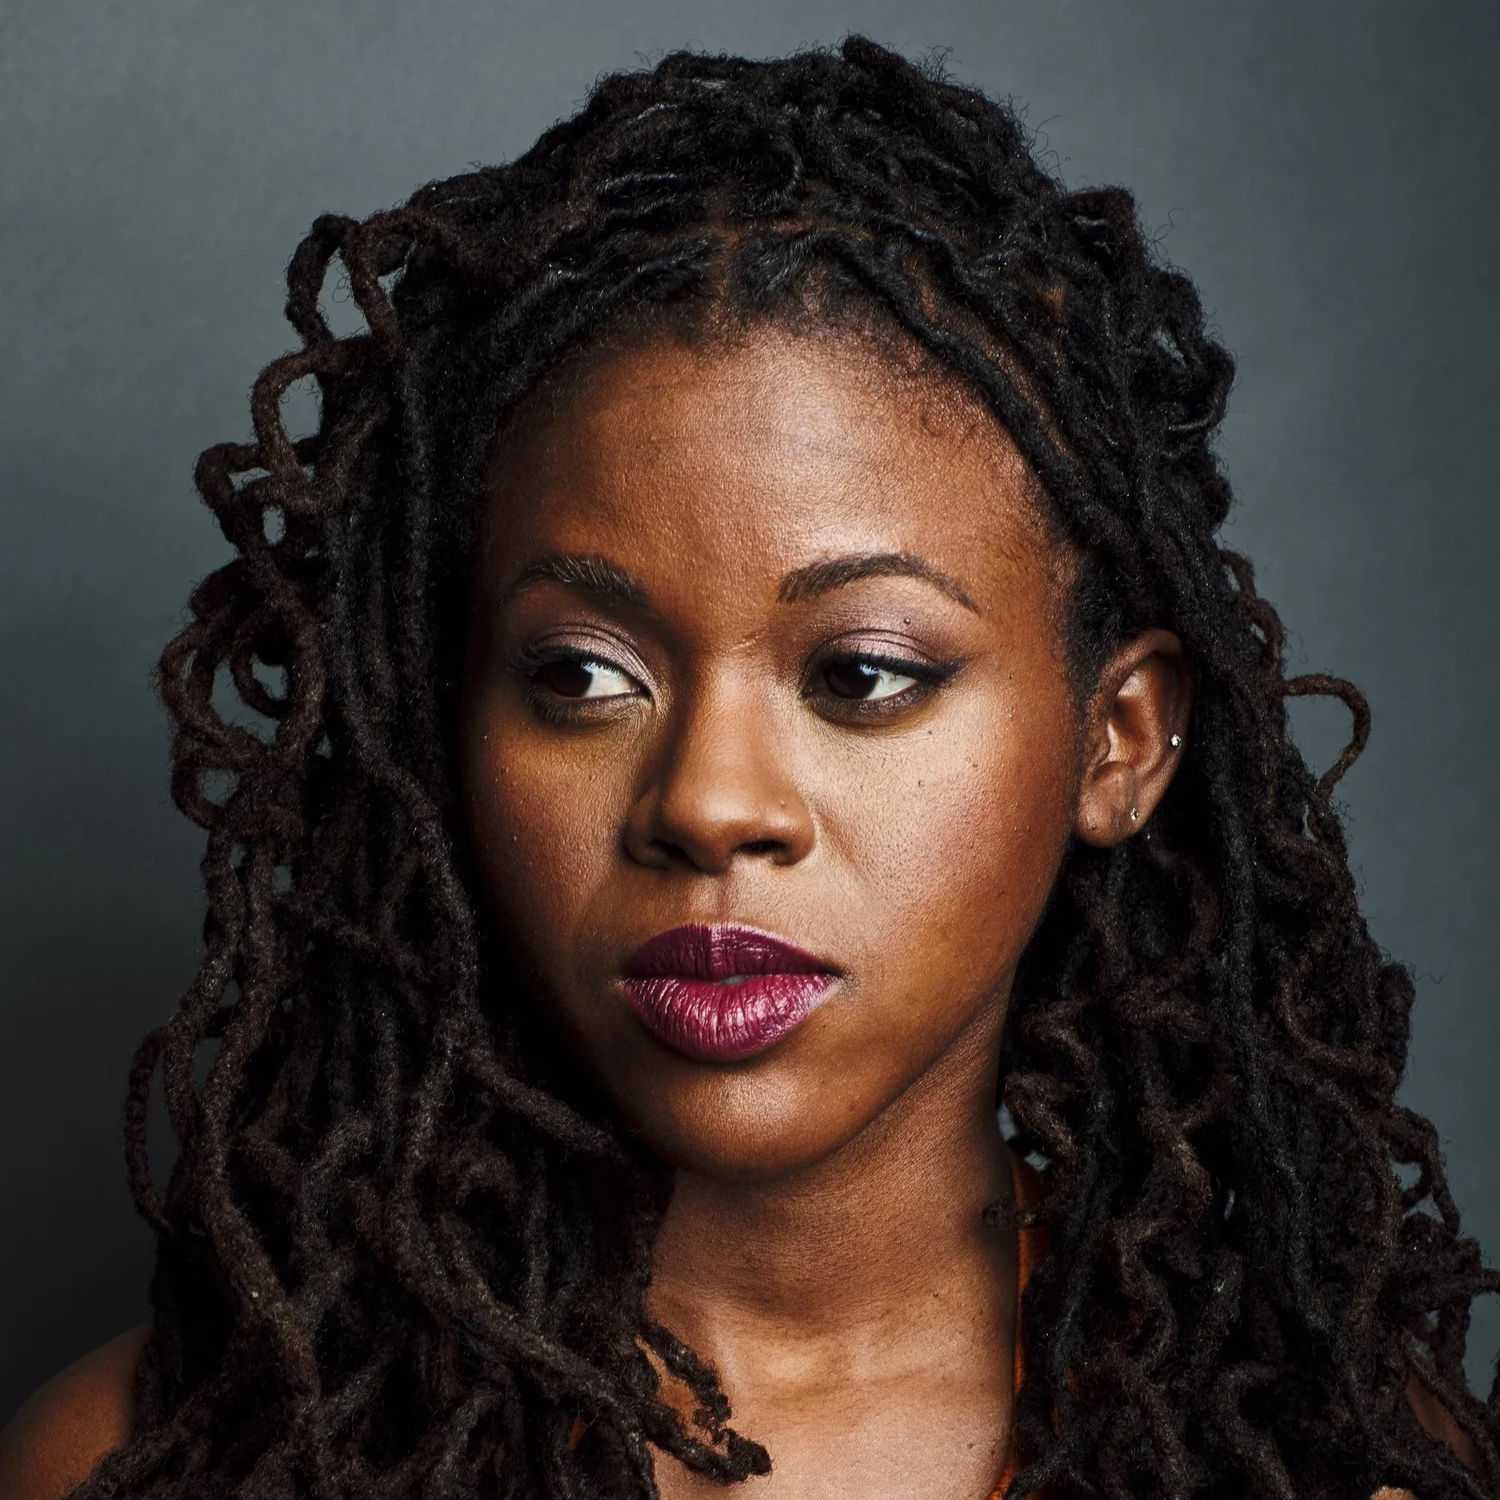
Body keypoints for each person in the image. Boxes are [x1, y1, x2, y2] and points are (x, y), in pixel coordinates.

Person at [0, 35, 1494, 1500]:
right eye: (582, 675)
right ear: (437, 726)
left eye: (863, 675)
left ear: (1120, 740)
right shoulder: (163, 1468)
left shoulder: (1328, 1470)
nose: (710, 804)